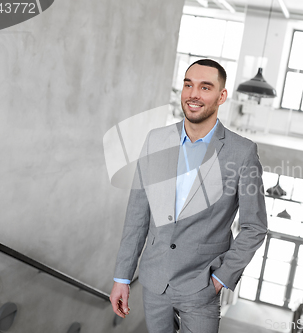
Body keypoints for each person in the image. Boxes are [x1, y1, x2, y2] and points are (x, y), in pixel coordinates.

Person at [109, 59, 268, 333]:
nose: (194, 94)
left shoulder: (242, 153)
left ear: (221, 96)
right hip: (154, 282)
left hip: (201, 286)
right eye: (188, 85)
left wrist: (220, 279)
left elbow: (255, 227)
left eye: (205, 87)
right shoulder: (155, 140)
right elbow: (138, 213)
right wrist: (122, 277)